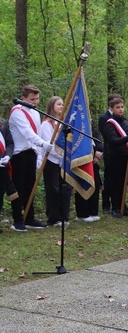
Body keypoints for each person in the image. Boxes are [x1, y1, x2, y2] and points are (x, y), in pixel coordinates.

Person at [8, 85, 51, 231]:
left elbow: (37, 133)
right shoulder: (17, 112)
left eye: (37, 99)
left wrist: (39, 154)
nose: (35, 102)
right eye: (32, 99)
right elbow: (27, 132)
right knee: (18, 187)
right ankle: (17, 219)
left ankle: (29, 218)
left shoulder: (35, 113)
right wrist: (44, 144)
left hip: (31, 153)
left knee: (30, 187)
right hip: (19, 154)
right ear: (23, 98)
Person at [40, 96, 73, 227]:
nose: (61, 106)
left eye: (62, 104)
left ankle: (64, 216)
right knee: (53, 189)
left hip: (64, 160)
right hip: (52, 160)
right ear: (51, 106)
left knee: (65, 188)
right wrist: (60, 155)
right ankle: (53, 218)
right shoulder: (46, 124)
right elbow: (50, 144)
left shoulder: (64, 123)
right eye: (58, 104)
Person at [101, 96, 128, 219]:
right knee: (115, 183)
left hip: (125, 156)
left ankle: (122, 206)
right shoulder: (109, 123)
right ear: (111, 109)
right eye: (117, 107)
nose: (120, 110)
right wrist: (127, 139)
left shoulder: (125, 122)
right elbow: (112, 140)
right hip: (114, 157)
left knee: (123, 183)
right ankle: (115, 207)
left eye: (122, 107)